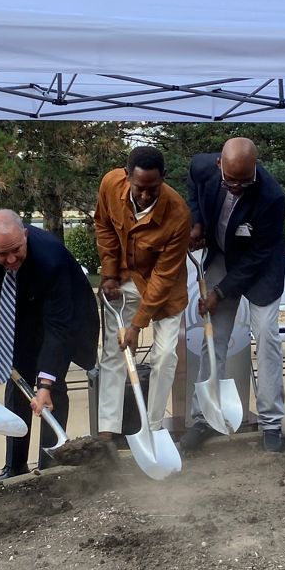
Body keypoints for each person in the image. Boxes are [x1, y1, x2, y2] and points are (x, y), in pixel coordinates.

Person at [0, 210, 99, 478]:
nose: (10, 259)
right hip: (21, 307)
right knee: (17, 381)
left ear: (26, 235)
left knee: (52, 386)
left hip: (67, 313)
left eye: (16, 250)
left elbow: (57, 328)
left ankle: (50, 464)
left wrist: (44, 385)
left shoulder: (51, 258)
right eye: (1, 254)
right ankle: (15, 465)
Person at [182, 137, 285, 452]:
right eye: (231, 181)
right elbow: (193, 190)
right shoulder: (202, 166)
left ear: (255, 166)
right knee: (213, 337)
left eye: (245, 181)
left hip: (261, 269)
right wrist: (198, 222)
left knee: (267, 336)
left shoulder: (272, 196)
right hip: (222, 257)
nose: (238, 188)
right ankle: (203, 418)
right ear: (219, 166)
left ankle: (271, 423)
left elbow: (257, 257)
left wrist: (221, 291)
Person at [93, 147, 191, 437]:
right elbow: (104, 225)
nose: (146, 195)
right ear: (127, 176)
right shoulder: (111, 184)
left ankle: (152, 428)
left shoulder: (178, 213)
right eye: (140, 188)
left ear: (163, 179)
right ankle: (108, 432)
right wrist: (109, 273)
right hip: (125, 277)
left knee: (164, 357)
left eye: (153, 188)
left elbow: (163, 276)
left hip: (166, 291)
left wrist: (137, 325)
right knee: (114, 350)